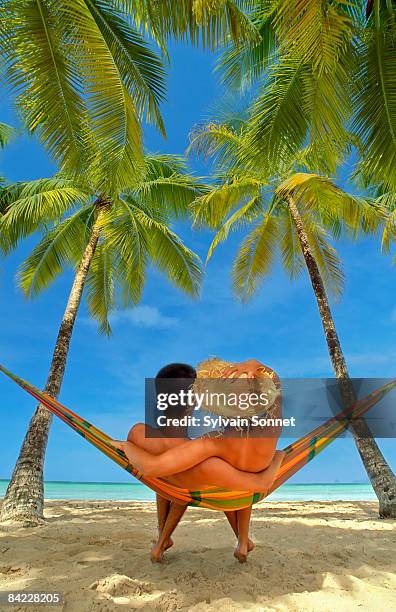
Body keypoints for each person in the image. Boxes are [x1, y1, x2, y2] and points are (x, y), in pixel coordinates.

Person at [111, 358, 284, 562]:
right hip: (245, 479)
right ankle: (242, 540)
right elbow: (277, 385)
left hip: (200, 480)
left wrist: (126, 446)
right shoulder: (275, 424)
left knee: (184, 470)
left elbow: (151, 468)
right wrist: (254, 365)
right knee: (210, 475)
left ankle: (164, 540)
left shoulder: (212, 444)